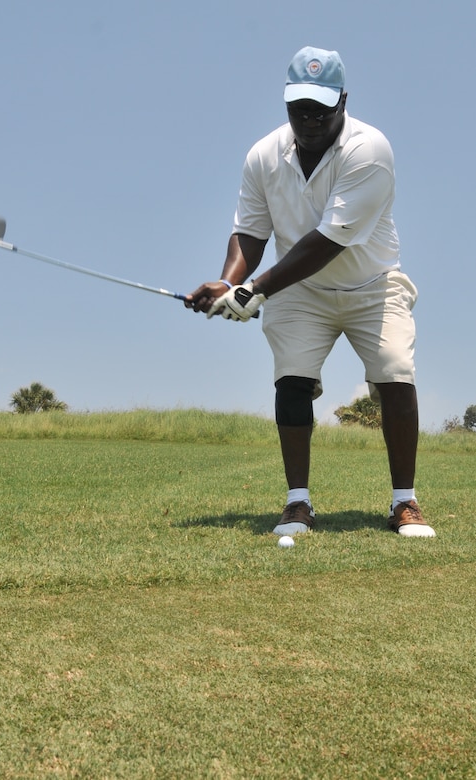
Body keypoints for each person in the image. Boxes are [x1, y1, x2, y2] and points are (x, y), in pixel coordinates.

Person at [186, 45, 435, 538]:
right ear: (285, 103)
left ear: (343, 100)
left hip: (373, 286)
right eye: (300, 108)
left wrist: (253, 289)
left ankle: (404, 502)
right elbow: (251, 232)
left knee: (394, 374)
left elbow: (329, 241)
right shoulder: (263, 156)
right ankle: (297, 504)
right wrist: (231, 282)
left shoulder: (370, 150)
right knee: (292, 381)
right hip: (300, 291)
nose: (311, 119)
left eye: (322, 109)